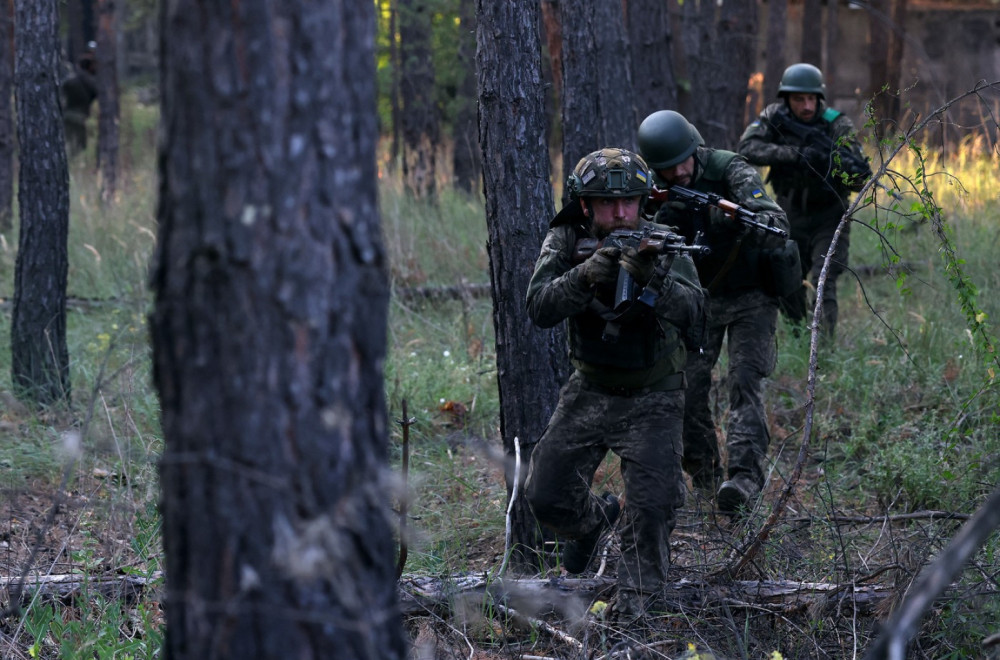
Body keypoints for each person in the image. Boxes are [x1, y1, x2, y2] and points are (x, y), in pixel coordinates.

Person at [524, 147, 705, 618]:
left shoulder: (663, 241)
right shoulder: (565, 238)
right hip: (591, 389)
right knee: (546, 495)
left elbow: (698, 316)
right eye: (608, 203)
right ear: (586, 206)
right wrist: (584, 276)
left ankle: (637, 617)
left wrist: (655, 283)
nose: (622, 213)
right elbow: (539, 306)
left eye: (630, 202)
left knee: (652, 509)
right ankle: (595, 521)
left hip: (654, 394)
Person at [637, 110, 790, 512]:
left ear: (694, 150)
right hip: (696, 300)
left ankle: (743, 480)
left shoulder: (729, 169)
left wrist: (737, 223)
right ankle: (704, 478)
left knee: (743, 381)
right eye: (666, 170)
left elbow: (775, 222)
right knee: (687, 389)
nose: (677, 174)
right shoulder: (654, 189)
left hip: (750, 296)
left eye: (681, 164)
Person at [738, 63, 871, 338]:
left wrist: (833, 163)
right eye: (799, 99)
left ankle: (822, 347)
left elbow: (858, 172)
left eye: (812, 98)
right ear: (787, 98)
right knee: (787, 277)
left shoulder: (836, 123)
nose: (807, 105)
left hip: (830, 213)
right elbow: (747, 148)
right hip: (790, 211)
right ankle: (800, 336)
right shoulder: (774, 116)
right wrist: (795, 154)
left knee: (825, 279)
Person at [61, 49, 98, 156]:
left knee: (69, 143)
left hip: (67, 115)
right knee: (79, 146)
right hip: (79, 117)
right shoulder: (88, 81)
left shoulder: (71, 80)